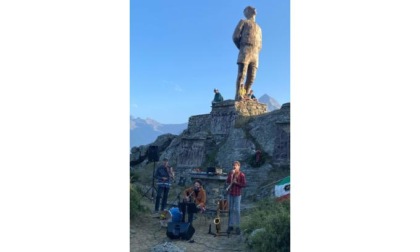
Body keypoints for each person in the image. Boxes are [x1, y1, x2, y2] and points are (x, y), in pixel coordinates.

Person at [233, 6, 262, 101]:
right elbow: (235, 36)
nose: (254, 8)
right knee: (242, 75)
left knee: (252, 77)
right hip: (245, 50)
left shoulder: (259, 28)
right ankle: (239, 95)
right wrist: (242, 47)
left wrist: (257, 50)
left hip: (255, 53)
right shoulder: (243, 22)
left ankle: (245, 95)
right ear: (246, 12)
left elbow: (260, 43)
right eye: (250, 8)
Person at [226, 161, 246, 235]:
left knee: (237, 210)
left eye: (236, 165)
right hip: (231, 194)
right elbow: (227, 181)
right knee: (231, 209)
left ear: (239, 166)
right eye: (233, 165)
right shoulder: (231, 173)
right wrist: (230, 175)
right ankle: (230, 226)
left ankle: (238, 227)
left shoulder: (242, 175)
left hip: (237, 194)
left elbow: (244, 185)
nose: (234, 167)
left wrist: (236, 183)